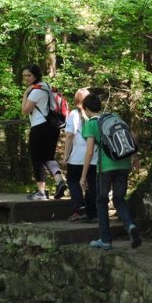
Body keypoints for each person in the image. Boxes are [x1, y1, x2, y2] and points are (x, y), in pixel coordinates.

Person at [80, 93, 142, 250]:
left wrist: (83, 176)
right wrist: (135, 157)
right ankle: (130, 226)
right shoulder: (114, 117)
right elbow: (133, 135)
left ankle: (105, 239)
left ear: (86, 109)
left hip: (105, 167)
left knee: (101, 202)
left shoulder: (92, 123)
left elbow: (89, 152)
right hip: (124, 163)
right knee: (119, 199)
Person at [21, 64, 67, 200]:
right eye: (24, 76)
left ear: (36, 75)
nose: (26, 78)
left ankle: (41, 192)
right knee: (48, 157)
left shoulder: (35, 91)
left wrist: (25, 93)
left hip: (39, 127)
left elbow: (25, 110)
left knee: (36, 159)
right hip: (53, 127)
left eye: (28, 75)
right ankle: (59, 181)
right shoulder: (47, 87)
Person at [64, 88, 97, 221]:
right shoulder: (96, 116)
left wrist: (66, 154)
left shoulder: (73, 114)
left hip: (77, 157)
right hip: (94, 157)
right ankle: (93, 213)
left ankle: (80, 209)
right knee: (91, 184)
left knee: (73, 181)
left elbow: (69, 136)